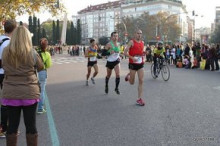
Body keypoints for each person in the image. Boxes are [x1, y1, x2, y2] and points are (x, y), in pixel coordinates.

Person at [2, 25, 44, 146]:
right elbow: (41, 67)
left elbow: (4, 66)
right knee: (31, 125)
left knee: (12, 126)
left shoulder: (6, 51)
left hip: (11, 92)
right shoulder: (32, 52)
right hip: (29, 92)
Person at [0, 20, 17, 138]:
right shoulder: (10, 43)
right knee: (7, 101)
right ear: (14, 29)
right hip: (5, 73)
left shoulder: (0, 39)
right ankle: (4, 129)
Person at [124, 29, 145, 106]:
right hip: (133, 64)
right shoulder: (131, 42)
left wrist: (144, 55)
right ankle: (129, 76)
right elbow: (125, 53)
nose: (139, 35)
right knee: (132, 83)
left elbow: (141, 52)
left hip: (140, 63)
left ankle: (139, 99)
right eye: (138, 33)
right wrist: (132, 58)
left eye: (140, 33)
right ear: (135, 34)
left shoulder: (142, 43)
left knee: (141, 80)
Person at [36, 38, 52, 114]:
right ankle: (40, 108)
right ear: (46, 46)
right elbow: (49, 65)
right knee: (41, 91)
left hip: (33, 72)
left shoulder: (34, 52)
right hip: (42, 71)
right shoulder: (47, 53)